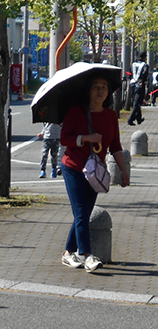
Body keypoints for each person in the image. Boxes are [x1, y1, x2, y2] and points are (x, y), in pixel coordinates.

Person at [59, 76, 128, 273]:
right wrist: (86, 138)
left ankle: (67, 253)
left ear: (108, 93)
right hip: (73, 167)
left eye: (104, 87)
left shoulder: (111, 115)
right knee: (81, 212)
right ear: (88, 91)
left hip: (95, 172)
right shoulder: (76, 111)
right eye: (95, 87)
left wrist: (123, 170)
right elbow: (64, 139)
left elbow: (115, 146)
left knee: (84, 213)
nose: (100, 90)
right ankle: (87, 255)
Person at [127, 52, 149, 126]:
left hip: (132, 84)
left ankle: (139, 118)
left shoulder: (133, 64)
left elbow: (129, 73)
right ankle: (130, 119)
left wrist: (130, 79)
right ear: (144, 58)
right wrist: (142, 81)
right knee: (137, 103)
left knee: (136, 101)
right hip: (139, 85)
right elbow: (145, 73)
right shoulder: (145, 65)